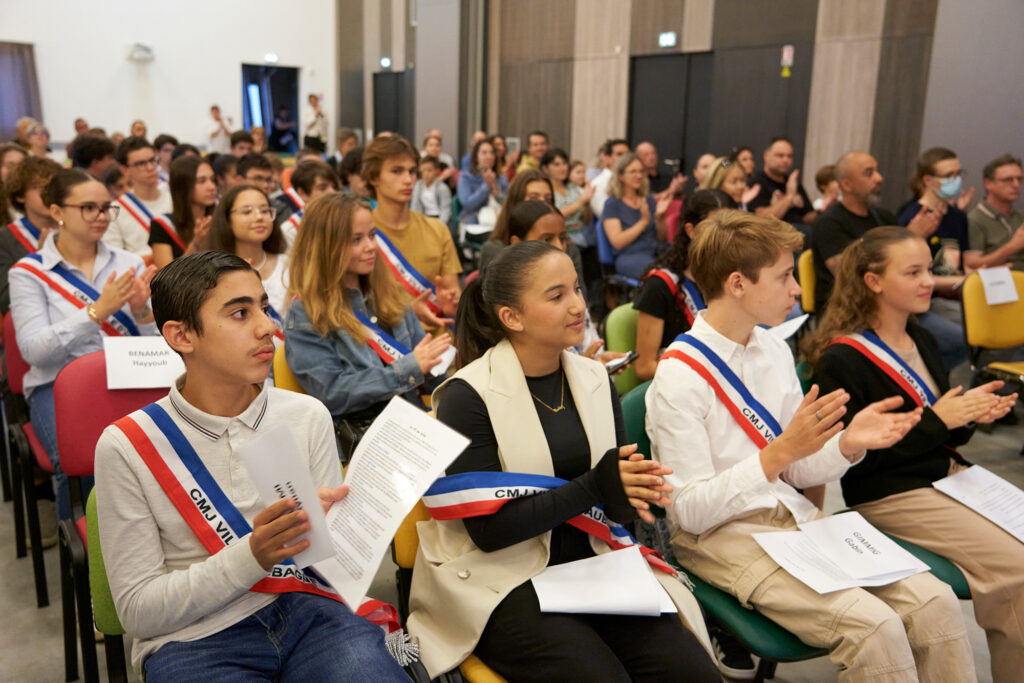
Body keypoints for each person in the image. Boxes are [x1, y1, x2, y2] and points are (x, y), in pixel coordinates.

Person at [647, 209, 976, 682]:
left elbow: (798, 472)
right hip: (720, 539)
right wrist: (778, 456)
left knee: (936, 601)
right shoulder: (679, 375)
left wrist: (846, 443)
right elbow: (690, 513)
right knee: (876, 627)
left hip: (791, 520)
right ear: (738, 284)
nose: (798, 289)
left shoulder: (773, 350)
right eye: (784, 277)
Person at [407, 240, 717, 680]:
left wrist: (632, 494)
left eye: (576, 288)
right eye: (557, 296)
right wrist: (596, 485)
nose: (578, 306)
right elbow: (489, 534)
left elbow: (618, 511)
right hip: (502, 580)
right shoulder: (466, 396)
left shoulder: (593, 378)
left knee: (692, 673)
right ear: (511, 317)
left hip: (592, 567)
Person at [93, 250, 409, 681]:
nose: (267, 327)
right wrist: (254, 555)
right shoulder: (127, 446)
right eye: (240, 313)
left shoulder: (306, 415)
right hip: (195, 637)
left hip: (309, 611)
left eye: (263, 306)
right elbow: (138, 613)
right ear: (181, 336)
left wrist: (357, 526)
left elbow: (331, 571)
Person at [805, 225, 1024, 682]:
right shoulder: (842, 359)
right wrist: (940, 419)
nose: (930, 281)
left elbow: (941, 439)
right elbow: (859, 459)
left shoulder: (923, 340)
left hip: (944, 477)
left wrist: (971, 415)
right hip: (890, 494)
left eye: (929, 269)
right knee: (1018, 575)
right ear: (873, 281)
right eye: (914, 272)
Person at [10, 169, 157, 520]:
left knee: (164, 449)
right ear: (58, 212)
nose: (101, 216)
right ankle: (85, 557)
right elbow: (33, 350)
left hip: (130, 376)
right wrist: (97, 311)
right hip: (57, 385)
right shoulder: (29, 273)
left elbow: (154, 347)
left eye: (107, 208)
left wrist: (141, 312)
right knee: (82, 462)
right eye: (88, 207)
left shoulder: (129, 262)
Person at [285, 193, 450, 457]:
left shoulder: (390, 295)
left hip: (415, 430)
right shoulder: (306, 313)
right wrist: (408, 369)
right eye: (356, 240)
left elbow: (430, 372)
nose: (371, 246)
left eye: (372, 235)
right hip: (365, 446)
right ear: (326, 247)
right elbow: (332, 393)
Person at [810, 151, 941, 316]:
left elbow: (902, 265)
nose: (879, 178)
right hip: (851, 310)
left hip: (894, 304)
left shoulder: (883, 217)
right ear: (847, 184)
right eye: (869, 173)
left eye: (877, 171)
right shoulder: (829, 222)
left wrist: (915, 238)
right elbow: (846, 273)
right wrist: (908, 236)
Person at [363, 134, 461, 334]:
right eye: (397, 171)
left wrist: (450, 302)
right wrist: (406, 313)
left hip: (440, 348)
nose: (408, 180)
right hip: (381, 347)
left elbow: (453, 296)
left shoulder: (437, 229)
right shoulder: (359, 234)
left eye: (412, 171)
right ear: (373, 177)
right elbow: (352, 307)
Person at [633, 190, 735, 381]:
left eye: (731, 229)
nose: (725, 239)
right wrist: (705, 371)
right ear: (691, 231)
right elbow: (644, 368)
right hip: (682, 387)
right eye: (715, 229)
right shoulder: (661, 284)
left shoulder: (730, 279)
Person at [204, 183, 288, 333]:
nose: (259, 217)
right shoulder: (211, 272)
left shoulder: (290, 264)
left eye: (264, 210)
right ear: (227, 220)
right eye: (247, 212)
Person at [1, 156, 62, 313]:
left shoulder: (76, 231)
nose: (49, 194)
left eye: (53, 187)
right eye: (41, 188)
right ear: (20, 195)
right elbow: (7, 299)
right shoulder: (4, 240)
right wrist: (41, 261)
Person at [602, 152, 670, 280]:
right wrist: (643, 222)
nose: (638, 175)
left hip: (656, 251)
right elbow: (618, 242)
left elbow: (662, 238)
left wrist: (659, 218)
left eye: (641, 171)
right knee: (662, 276)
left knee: (686, 267)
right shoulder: (612, 204)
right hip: (630, 256)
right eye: (633, 171)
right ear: (621, 176)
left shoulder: (648, 199)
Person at [104, 137, 173, 256]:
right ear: (125, 170)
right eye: (141, 163)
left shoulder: (175, 200)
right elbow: (114, 259)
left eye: (153, 160)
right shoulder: (115, 210)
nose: (150, 168)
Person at [479, 169, 556, 271]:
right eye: (533, 198)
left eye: (548, 200)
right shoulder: (495, 250)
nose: (543, 205)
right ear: (516, 203)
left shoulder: (563, 246)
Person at [149, 156, 216, 268]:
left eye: (213, 180)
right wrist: (197, 242)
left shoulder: (221, 217)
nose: (212, 187)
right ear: (182, 186)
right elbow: (166, 281)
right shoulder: (162, 225)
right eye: (202, 181)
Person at [967, 153, 1024, 269]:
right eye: (1008, 180)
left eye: (1019, 179)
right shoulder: (974, 220)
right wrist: (1012, 246)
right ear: (988, 183)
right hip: (996, 283)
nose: (1016, 184)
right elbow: (972, 265)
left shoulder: (1020, 217)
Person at [746, 137, 817, 227]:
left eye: (789, 156)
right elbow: (761, 219)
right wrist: (789, 196)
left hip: (802, 235)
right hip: (776, 236)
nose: (785, 160)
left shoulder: (794, 184)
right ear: (766, 156)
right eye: (780, 156)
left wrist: (823, 212)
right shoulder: (755, 184)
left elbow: (807, 216)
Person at [277, 160, 339, 244]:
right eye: (322, 187)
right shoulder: (290, 231)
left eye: (334, 186)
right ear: (302, 193)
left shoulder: (345, 219)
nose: (332, 192)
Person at [541, 148, 593, 248]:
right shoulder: (544, 191)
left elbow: (586, 219)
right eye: (556, 164)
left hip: (582, 236)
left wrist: (587, 203)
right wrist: (579, 203)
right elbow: (551, 216)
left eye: (565, 163)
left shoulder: (574, 188)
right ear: (545, 169)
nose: (563, 168)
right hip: (556, 240)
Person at [457, 137, 507, 227]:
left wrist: (496, 193)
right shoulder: (466, 177)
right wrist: (486, 185)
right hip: (472, 220)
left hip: (495, 220)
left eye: (492, 153)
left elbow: (508, 204)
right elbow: (467, 204)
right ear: (476, 157)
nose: (489, 156)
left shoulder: (501, 179)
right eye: (484, 153)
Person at [589, 138, 630, 219]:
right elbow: (603, 213)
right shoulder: (597, 183)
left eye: (627, 155)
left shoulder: (634, 180)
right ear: (608, 158)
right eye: (619, 154)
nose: (625, 159)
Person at [410, 156, 452, 225]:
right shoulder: (418, 185)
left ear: (436, 171)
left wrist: (439, 226)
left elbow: (446, 210)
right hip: (425, 218)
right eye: (423, 170)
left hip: (439, 218)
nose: (426, 174)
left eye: (429, 170)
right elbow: (415, 205)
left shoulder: (442, 188)